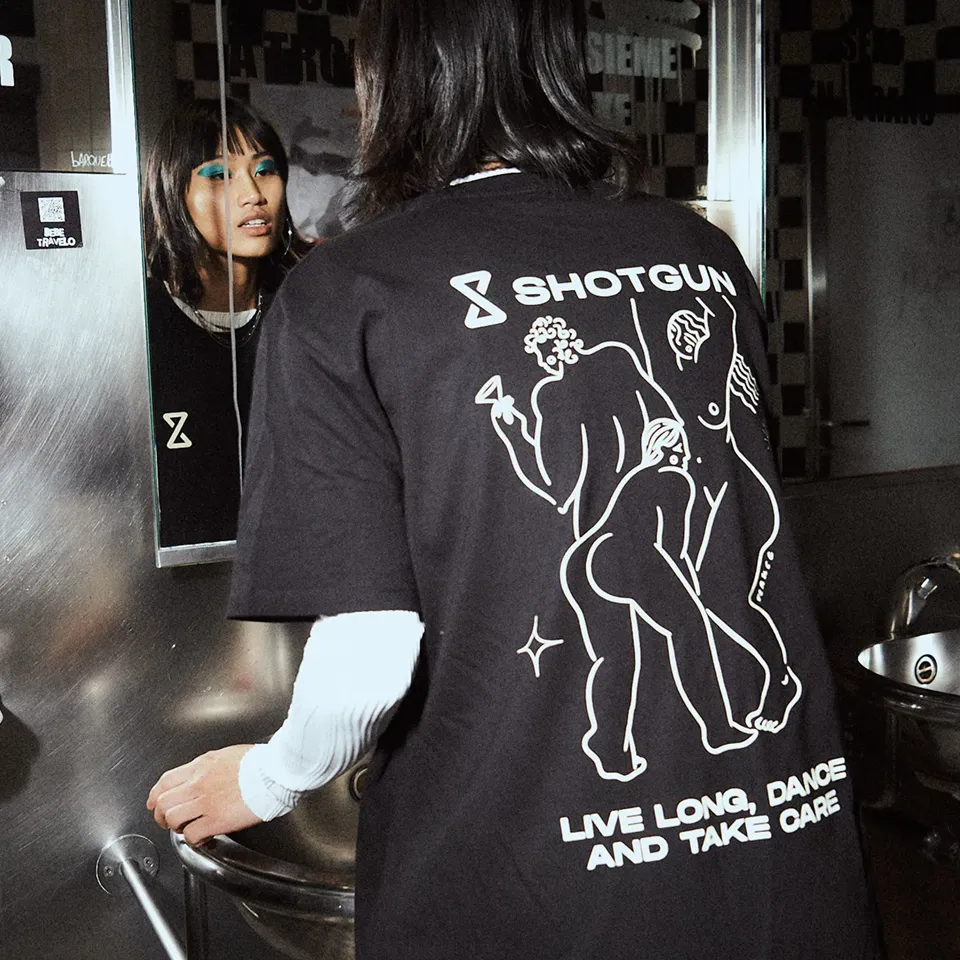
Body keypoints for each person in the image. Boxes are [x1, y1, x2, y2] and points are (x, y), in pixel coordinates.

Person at [147, 2, 881, 958]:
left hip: (525, 885)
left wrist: (270, 779)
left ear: (392, 76)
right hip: (778, 847)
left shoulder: (350, 290)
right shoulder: (703, 254)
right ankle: (734, 711)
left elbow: (371, 646)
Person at [142, 98, 305, 549]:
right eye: (219, 174)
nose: (252, 193)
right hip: (175, 592)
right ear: (175, 193)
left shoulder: (309, 310)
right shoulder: (137, 325)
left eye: (265, 169)